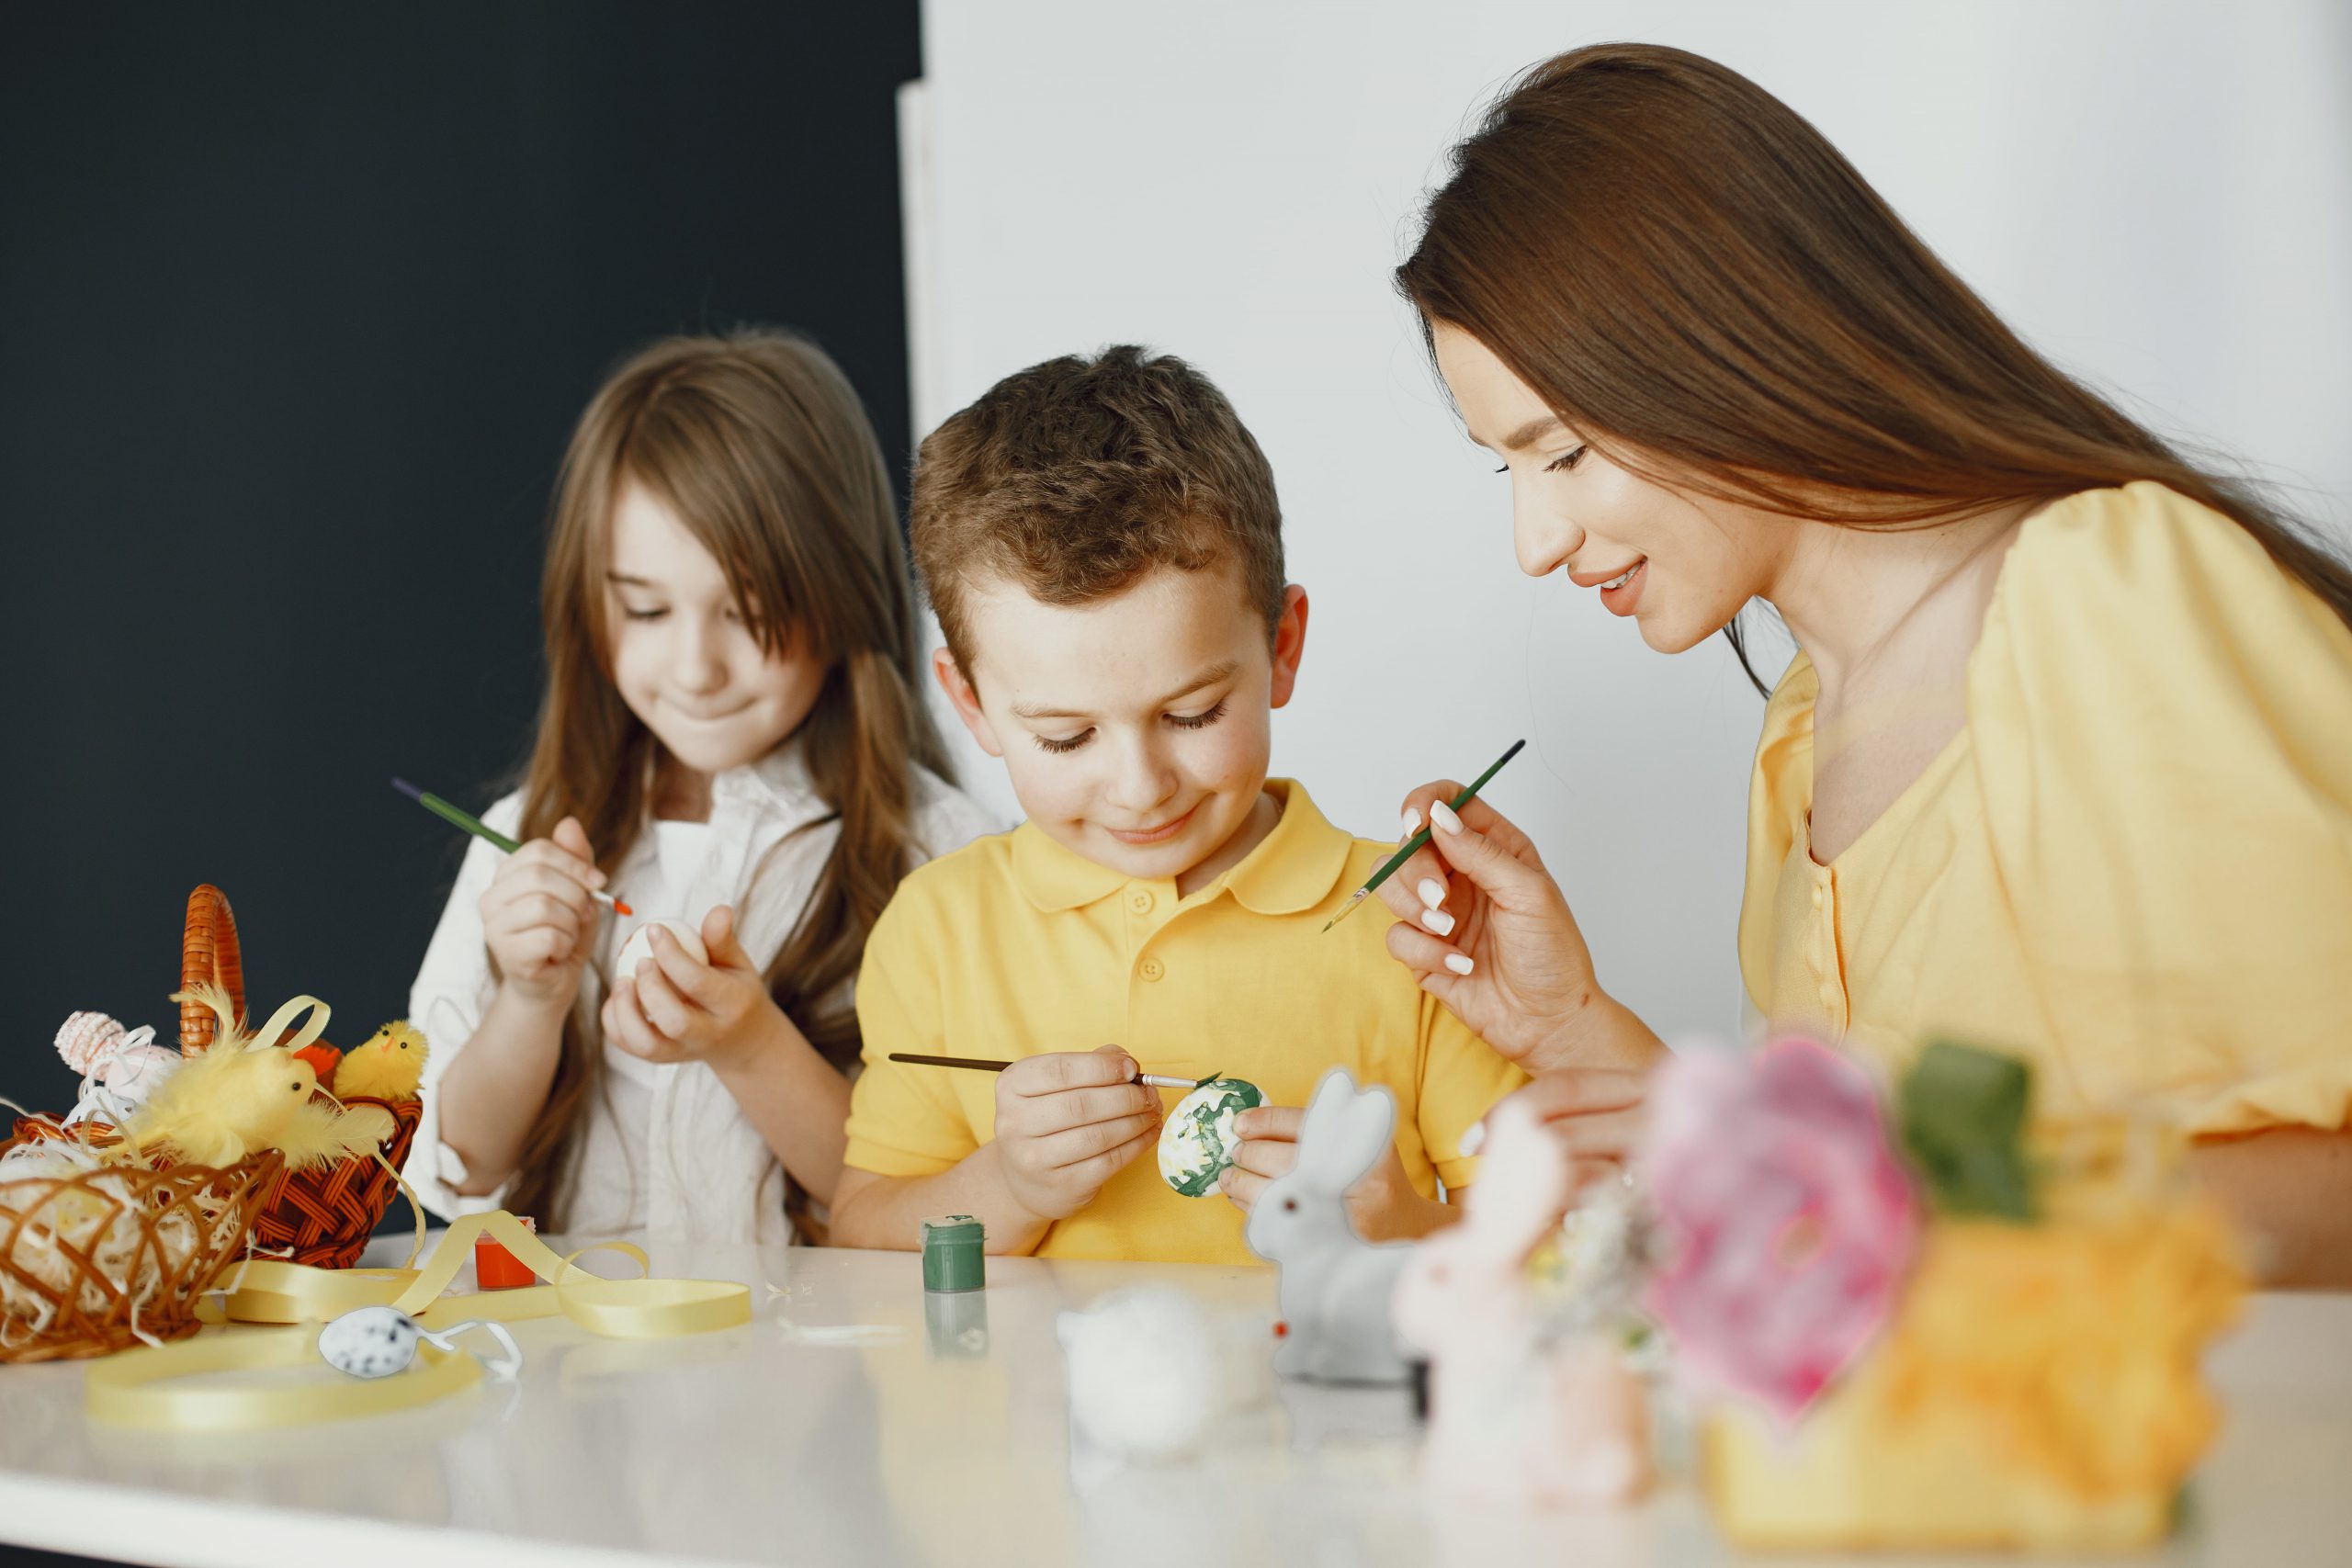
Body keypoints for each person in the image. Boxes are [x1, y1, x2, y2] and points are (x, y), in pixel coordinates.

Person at [1377, 44, 2352, 1285]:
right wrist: (1574, 1028)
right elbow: (1840, 1224)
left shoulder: (2102, 597)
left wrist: (1884, 1178)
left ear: (1719, 343)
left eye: (1560, 452)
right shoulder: (1801, 737)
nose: (1535, 539)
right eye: (1503, 466)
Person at [830, 346, 1524, 1262]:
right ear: (969, 704)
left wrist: (1397, 1227)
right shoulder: (938, 930)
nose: (1139, 786)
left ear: (1281, 646)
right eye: (1067, 737)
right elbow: (862, 1232)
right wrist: (1007, 1185)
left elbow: (1551, 1239)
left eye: (1191, 714)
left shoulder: (1413, 925)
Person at [404, 329, 995, 1245]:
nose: (694, 668)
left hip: (826, 1377)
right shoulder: (524, 840)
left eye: (748, 612)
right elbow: (460, 1166)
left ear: (841, 589)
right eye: (645, 609)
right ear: (587, 602)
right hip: (576, 1371)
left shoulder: (942, 858)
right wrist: (532, 1000)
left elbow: (936, 1206)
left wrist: (749, 1045)